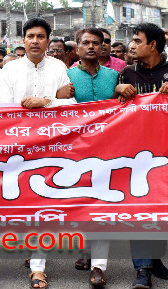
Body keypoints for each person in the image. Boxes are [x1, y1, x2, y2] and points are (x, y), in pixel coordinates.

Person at [0, 18, 75, 289]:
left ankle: (38, 267)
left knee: (44, 203)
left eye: (40, 36)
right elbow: (4, 109)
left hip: (52, 144)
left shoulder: (58, 67)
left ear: (47, 40)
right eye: (30, 36)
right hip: (18, 145)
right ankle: (31, 249)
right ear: (23, 39)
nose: (34, 41)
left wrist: (47, 101)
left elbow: (71, 103)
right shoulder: (9, 70)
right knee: (22, 202)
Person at [114, 23, 168, 288]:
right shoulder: (126, 73)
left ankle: (156, 259)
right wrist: (118, 91)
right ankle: (142, 270)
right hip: (135, 154)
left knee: (160, 210)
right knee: (139, 210)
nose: (132, 45)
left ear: (152, 45)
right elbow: (111, 111)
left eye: (137, 40)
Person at [60, 28, 118, 287]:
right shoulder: (66, 77)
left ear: (104, 46)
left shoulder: (115, 76)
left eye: (97, 43)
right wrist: (58, 96)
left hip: (108, 150)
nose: (92, 47)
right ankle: (85, 249)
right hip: (74, 152)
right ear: (78, 48)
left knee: (101, 206)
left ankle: (98, 266)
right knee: (79, 204)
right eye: (86, 43)